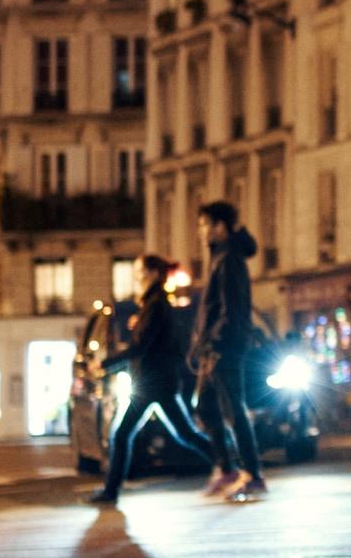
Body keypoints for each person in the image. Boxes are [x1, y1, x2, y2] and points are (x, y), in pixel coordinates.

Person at [87, 255, 217, 507]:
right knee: (185, 433)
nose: (137, 278)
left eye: (141, 273)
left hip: (152, 381)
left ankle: (111, 491)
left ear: (155, 274)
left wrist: (105, 364)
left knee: (123, 434)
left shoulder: (156, 304)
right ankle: (229, 463)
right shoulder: (153, 303)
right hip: (156, 380)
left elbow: (141, 345)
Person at [187, 201, 267, 502]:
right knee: (206, 407)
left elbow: (233, 308)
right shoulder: (219, 257)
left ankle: (253, 474)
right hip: (214, 347)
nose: (201, 231)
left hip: (225, 347)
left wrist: (216, 342)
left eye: (205, 224)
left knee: (234, 408)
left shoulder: (229, 258)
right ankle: (227, 469)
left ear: (221, 226)